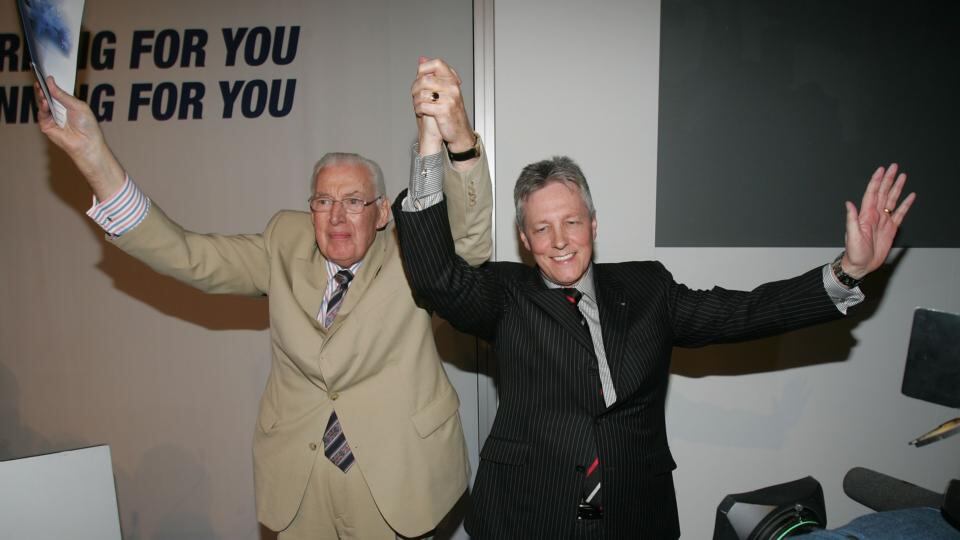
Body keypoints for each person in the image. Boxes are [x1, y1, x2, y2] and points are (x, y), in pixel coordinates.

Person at [35, 57, 491, 539]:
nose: (336, 216)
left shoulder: (410, 250)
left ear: (380, 213)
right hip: (300, 485)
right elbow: (187, 254)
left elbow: (470, 245)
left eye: (353, 201)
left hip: (398, 482)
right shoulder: (282, 241)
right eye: (322, 201)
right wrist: (94, 159)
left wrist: (459, 143)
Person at [393, 155, 915, 538]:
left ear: (593, 225)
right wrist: (431, 149)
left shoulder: (648, 288)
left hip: (634, 512)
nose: (560, 240)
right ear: (525, 240)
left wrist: (849, 270)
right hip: (529, 512)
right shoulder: (506, 295)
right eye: (542, 228)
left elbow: (744, 312)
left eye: (572, 222)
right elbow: (438, 279)